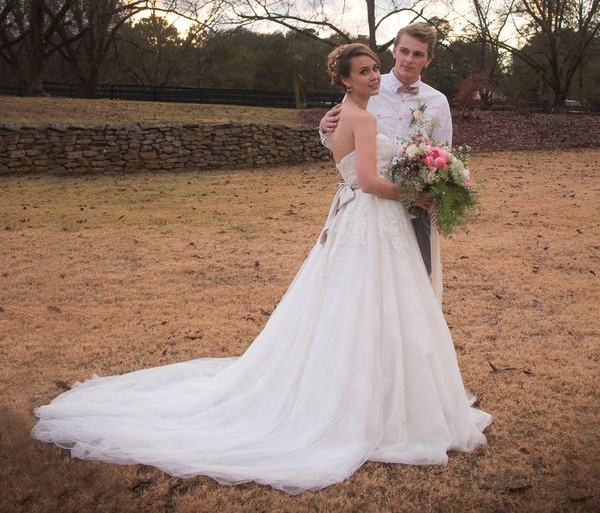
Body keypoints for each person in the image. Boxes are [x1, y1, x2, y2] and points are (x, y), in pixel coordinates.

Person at [32, 43, 491, 495]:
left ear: (426, 59)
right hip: (372, 218)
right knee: (370, 302)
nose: (376, 75)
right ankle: (376, 402)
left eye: (376, 69)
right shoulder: (361, 115)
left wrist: (432, 176)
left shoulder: (379, 108)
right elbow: (368, 179)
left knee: (361, 304)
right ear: (348, 79)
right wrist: (416, 195)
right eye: (367, 70)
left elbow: (363, 161)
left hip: (360, 218)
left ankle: (386, 389)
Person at [320, 23, 451, 292]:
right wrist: (323, 127)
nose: (408, 59)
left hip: (414, 207)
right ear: (394, 50)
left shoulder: (437, 102)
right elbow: (339, 139)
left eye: (417, 54)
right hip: (368, 204)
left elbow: (443, 151)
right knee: (362, 282)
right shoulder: (365, 88)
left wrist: (435, 185)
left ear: (428, 59)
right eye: (404, 51)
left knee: (412, 283)